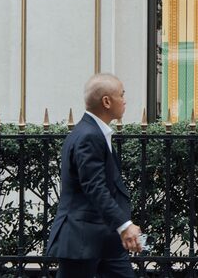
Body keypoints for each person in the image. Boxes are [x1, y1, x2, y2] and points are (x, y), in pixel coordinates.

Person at [46, 74, 143, 278]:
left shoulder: (93, 132)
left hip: (104, 238)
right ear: (106, 101)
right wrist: (124, 225)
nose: (125, 100)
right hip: (81, 239)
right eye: (121, 94)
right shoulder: (88, 135)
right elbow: (95, 186)